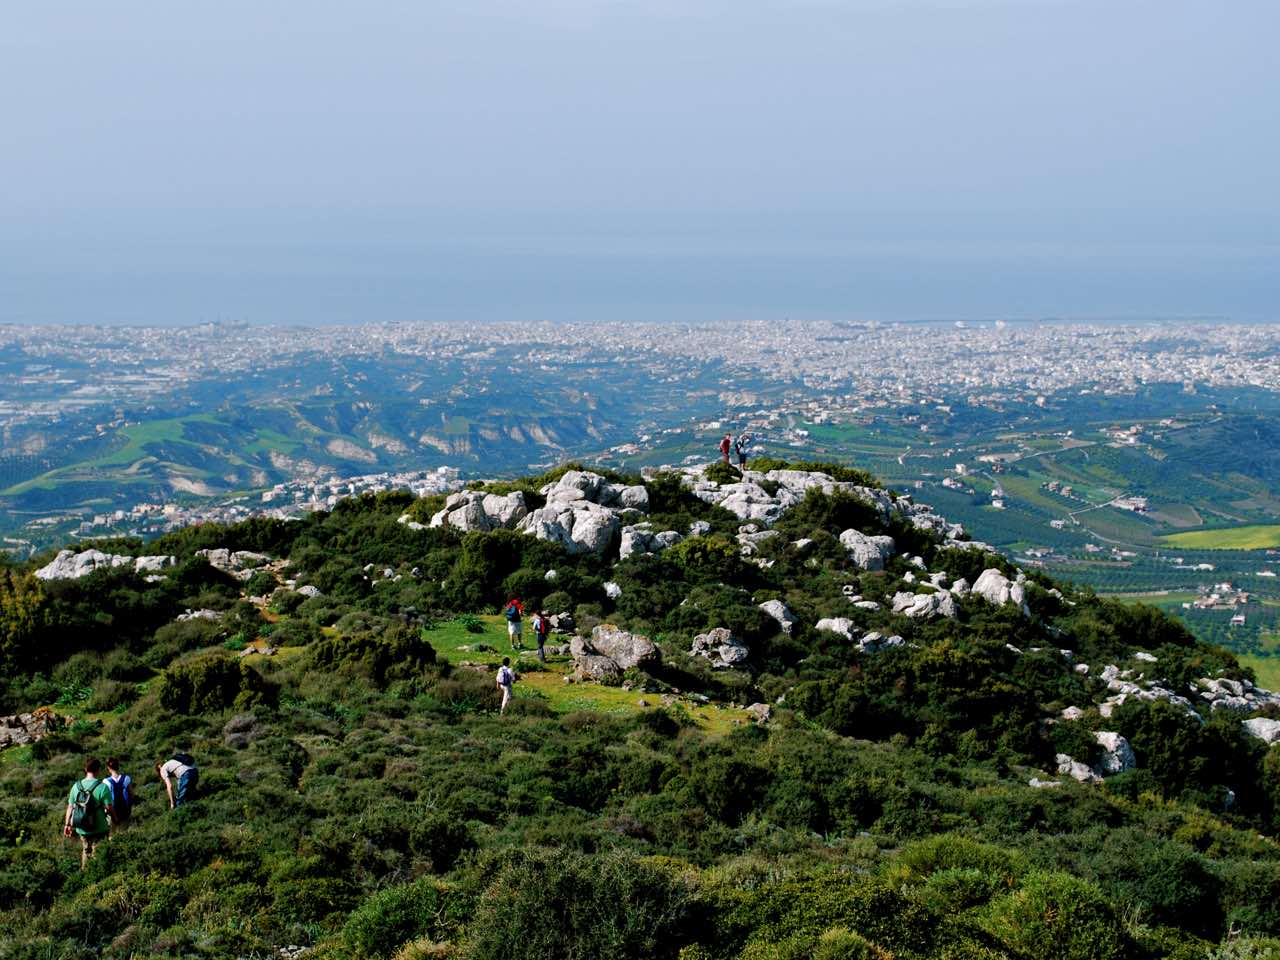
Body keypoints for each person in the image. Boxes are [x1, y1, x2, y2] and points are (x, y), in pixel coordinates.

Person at [64, 756, 114, 869]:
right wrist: (115, 819)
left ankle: (86, 874)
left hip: (82, 827)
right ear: (98, 770)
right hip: (99, 827)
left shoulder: (76, 786)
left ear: (85, 769)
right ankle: (99, 875)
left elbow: (70, 807)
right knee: (99, 852)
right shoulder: (102, 787)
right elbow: (109, 808)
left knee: (86, 850)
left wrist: (67, 825)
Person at [104, 757, 133, 834]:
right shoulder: (126, 778)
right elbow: (131, 794)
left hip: (112, 811)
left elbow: (105, 799)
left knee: (111, 834)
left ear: (108, 768)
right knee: (124, 832)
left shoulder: (106, 781)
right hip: (125, 810)